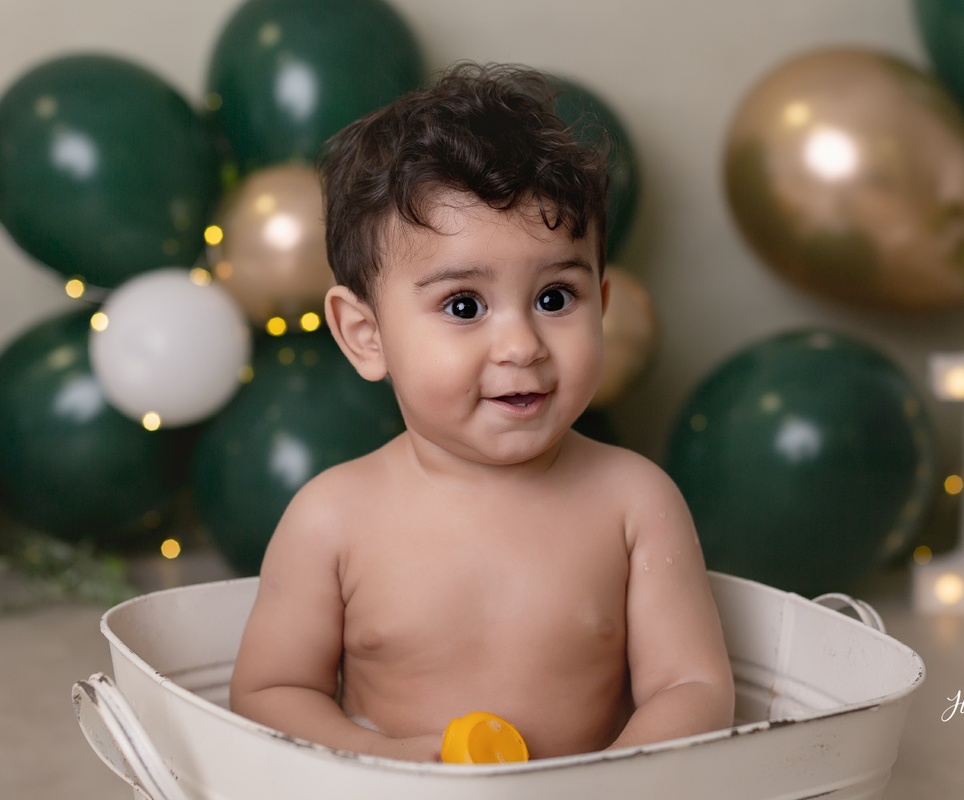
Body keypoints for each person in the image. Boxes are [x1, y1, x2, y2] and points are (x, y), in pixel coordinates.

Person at [229, 62, 734, 763]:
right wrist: (389, 759)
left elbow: (694, 685)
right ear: (365, 336)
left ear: (603, 307)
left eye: (555, 298)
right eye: (464, 306)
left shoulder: (634, 502)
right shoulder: (332, 518)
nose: (522, 345)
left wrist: (610, 783)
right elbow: (270, 693)